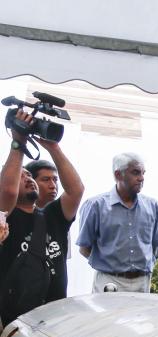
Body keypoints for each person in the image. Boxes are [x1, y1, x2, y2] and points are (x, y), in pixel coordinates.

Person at [0, 108, 84, 323]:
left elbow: (76, 190)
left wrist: (53, 147)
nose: (28, 179)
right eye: (21, 176)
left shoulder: (51, 216)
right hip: (17, 321)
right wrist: (19, 143)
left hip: (56, 317)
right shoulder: (5, 218)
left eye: (29, 175)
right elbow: (8, 191)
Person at [77, 152, 158, 293]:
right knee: (107, 316)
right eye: (136, 173)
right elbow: (84, 248)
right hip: (109, 281)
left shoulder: (153, 206)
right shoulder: (95, 206)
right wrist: (110, 265)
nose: (141, 178)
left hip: (144, 281)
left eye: (143, 173)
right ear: (118, 175)